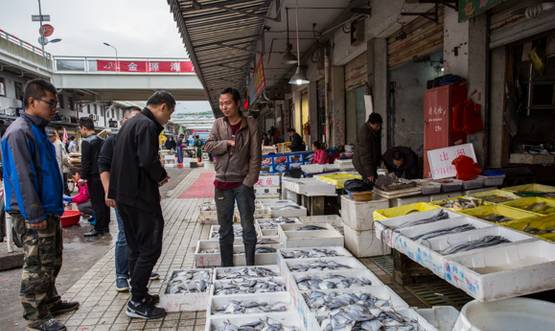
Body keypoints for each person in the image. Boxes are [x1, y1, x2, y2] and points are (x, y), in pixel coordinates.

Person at [1, 78, 78, 331]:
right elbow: (22, 177)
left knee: (52, 260)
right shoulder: (19, 132)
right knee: (37, 265)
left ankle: (51, 301)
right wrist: (34, 214)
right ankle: (36, 315)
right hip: (33, 214)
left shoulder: (37, 130)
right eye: (51, 103)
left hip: (48, 209)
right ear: (32, 102)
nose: (54, 108)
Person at [109, 91, 175, 320]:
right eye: (169, 114)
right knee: (150, 247)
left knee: (137, 248)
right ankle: (136, 301)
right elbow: (147, 160)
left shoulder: (130, 123)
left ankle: (140, 294)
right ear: (163, 107)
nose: (167, 119)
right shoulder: (146, 125)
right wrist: (161, 176)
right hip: (139, 197)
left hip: (125, 197)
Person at [98, 106, 159, 293]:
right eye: (132, 118)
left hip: (137, 196)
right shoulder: (114, 140)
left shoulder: (139, 136)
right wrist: (109, 191)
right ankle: (121, 275)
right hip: (122, 195)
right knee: (126, 236)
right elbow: (103, 166)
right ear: (125, 121)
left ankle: (138, 273)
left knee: (138, 238)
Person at [204, 87, 261, 267]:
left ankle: (250, 264)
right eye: (221, 103)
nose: (224, 107)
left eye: (227, 103)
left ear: (237, 103)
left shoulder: (250, 123)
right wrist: (226, 143)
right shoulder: (218, 124)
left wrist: (249, 181)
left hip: (242, 183)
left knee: (248, 226)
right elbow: (208, 146)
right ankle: (227, 267)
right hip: (222, 183)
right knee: (225, 229)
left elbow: (255, 155)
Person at [79, 117, 110, 237]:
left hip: (93, 176)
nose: (81, 131)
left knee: (97, 203)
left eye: (80, 129)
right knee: (104, 201)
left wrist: (83, 177)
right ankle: (105, 226)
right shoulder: (102, 140)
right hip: (103, 174)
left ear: (84, 128)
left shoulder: (86, 142)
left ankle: (98, 228)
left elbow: (85, 161)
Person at [353, 113, 383, 184]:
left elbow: (376, 147)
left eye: (380, 125)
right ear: (370, 123)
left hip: (370, 161)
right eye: (377, 126)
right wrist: (369, 173)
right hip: (362, 163)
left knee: (374, 179)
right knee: (369, 181)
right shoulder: (365, 133)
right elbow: (365, 155)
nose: (379, 127)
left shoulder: (374, 130)